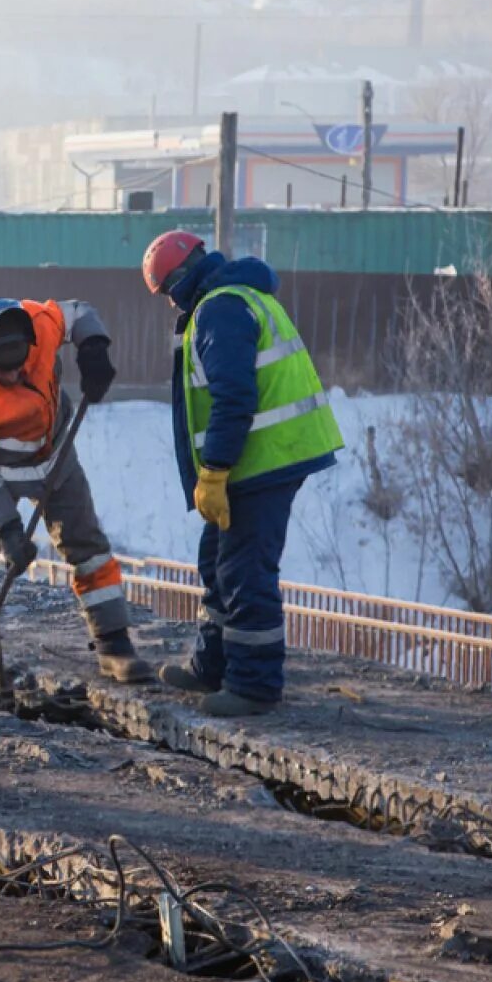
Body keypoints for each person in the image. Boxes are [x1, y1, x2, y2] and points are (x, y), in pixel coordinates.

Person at [141, 231, 343, 716]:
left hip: (265, 458)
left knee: (246, 570)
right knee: (218, 560)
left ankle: (254, 685)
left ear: (180, 280)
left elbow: (235, 397)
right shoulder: (238, 296)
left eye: (169, 292)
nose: (171, 304)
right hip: (261, 457)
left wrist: (213, 471)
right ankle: (213, 665)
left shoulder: (220, 309)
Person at [0, 296, 152, 689]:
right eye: (1, 370)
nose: (14, 375)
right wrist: (8, 530)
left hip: (55, 456)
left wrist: (93, 347)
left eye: (20, 363)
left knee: (87, 547)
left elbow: (79, 312)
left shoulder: (39, 323)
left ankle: (115, 648)